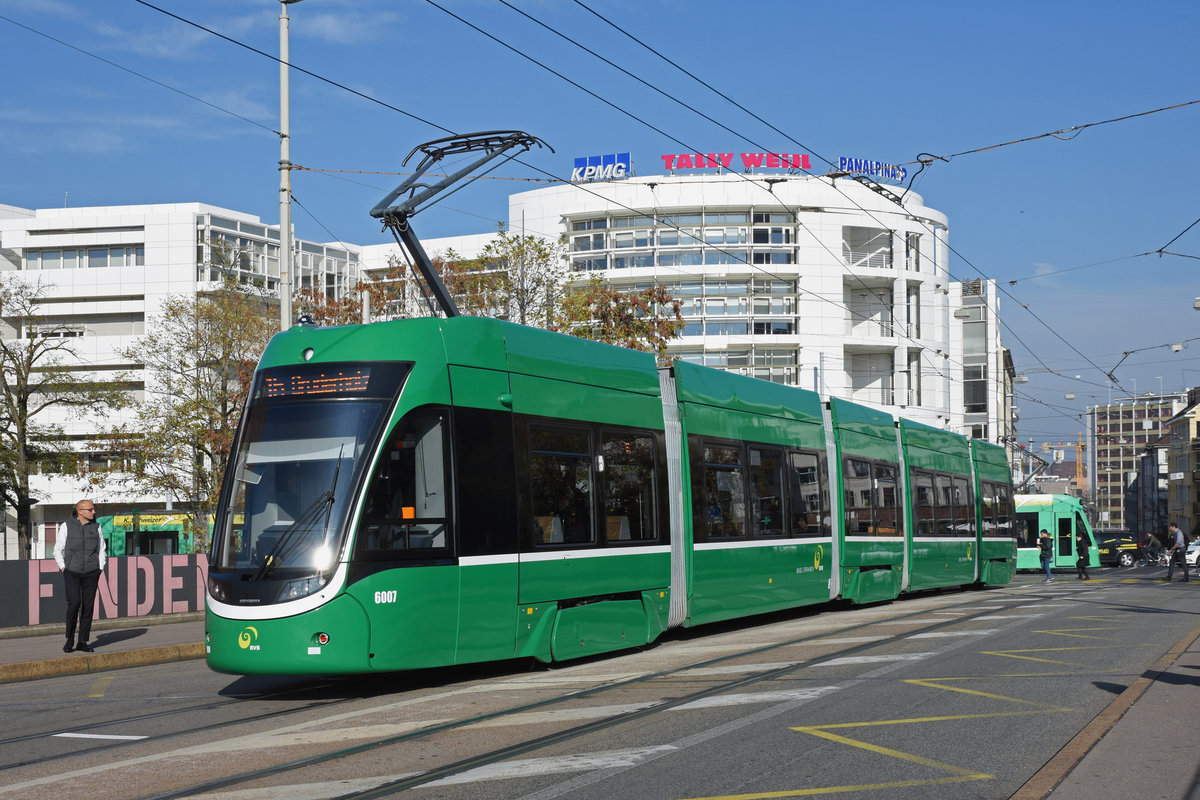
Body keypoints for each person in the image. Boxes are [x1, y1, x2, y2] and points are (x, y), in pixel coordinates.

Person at [53, 499, 106, 653]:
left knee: (88, 607)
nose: (94, 512)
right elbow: (57, 550)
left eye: (93, 509)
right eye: (91, 509)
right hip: (72, 572)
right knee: (74, 603)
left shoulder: (97, 527)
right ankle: (69, 639)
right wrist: (64, 567)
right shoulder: (66, 526)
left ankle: (82, 641)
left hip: (92, 572)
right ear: (80, 511)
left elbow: (102, 548)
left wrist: (100, 567)